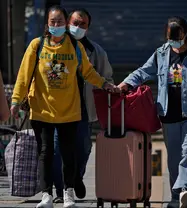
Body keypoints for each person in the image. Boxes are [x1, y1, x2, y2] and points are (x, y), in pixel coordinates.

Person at [10, 5, 116, 208]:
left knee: (70, 153)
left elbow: (88, 72)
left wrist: (104, 84)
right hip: (42, 109)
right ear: (47, 24)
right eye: (53, 22)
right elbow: (24, 75)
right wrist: (16, 101)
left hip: (69, 110)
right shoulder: (37, 45)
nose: (56, 25)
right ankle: (47, 195)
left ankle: (68, 193)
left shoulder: (75, 47)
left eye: (60, 21)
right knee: (46, 153)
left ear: (65, 24)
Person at [117, 16, 187, 208]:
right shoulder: (161, 53)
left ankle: (183, 189)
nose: (173, 40)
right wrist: (126, 83)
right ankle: (177, 198)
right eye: (170, 36)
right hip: (168, 114)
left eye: (176, 36)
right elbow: (143, 72)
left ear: (185, 33)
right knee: (174, 158)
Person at [52, 8, 114, 203]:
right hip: (57, 109)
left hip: (83, 110)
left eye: (83, 24)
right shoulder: (53, 47)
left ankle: (76, 177)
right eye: (75, 23)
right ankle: (62, 191)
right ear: (67, 22)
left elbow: (107, 77)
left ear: (88, 28)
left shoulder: (95, 51)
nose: (78, 27)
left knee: (83, 148)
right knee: (56, 150)